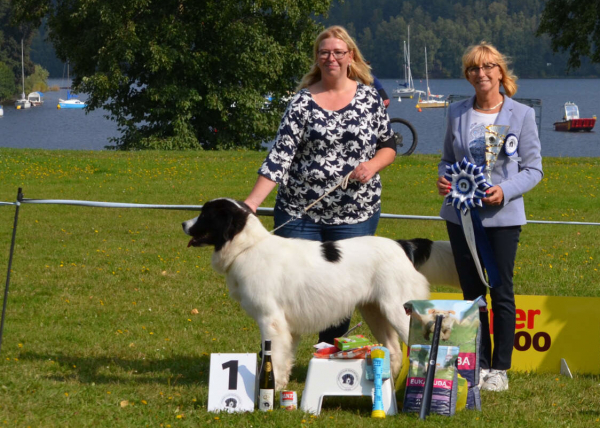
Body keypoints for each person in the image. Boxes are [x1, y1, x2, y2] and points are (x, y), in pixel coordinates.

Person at [244, 25, 396, 344]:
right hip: (299, 214)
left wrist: (372, 165)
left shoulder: (370, 98)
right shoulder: (301, 101)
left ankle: (327, 358)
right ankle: (277, 356)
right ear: (317, 58)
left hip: (356, 215)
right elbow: (280, 156)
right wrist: (251, 204)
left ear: (350, 56)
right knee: (290, 289)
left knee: (339, 292)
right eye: (324, 52)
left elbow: (388, 145)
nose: (331, 58)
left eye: (338, 52)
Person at [436, 42, 543, 392]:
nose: (480, 74)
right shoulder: (455, 112)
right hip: (461, 216)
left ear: (500, 71)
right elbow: (447, 160)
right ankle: (478, 364)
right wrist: (445, 179)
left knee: (501, 292)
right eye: (472, 69)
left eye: (487, 67)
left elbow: (534, 169)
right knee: (472, 294)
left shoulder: (522, 114)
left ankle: (500, 369)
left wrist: (506, 190)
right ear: (467, 75)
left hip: (503, 218)